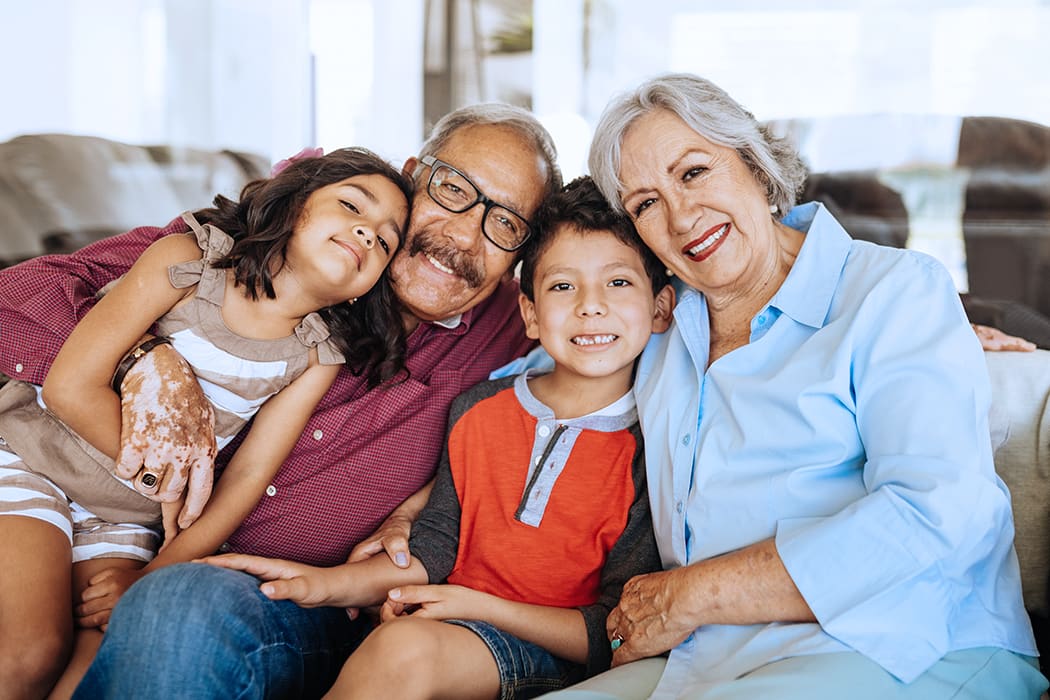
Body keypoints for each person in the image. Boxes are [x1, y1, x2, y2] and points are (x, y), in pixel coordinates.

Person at [0, 102, 563, 698]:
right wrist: (144, 353)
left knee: (176, 607)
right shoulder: (250, 249)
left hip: (284, 598)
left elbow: (604, 312)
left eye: (505, 224)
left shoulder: (516, 325)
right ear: (412, 175)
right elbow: (19, 297)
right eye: (454, 190)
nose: (462, 234)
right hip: (112, 505)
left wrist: (423, 502)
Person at [541, 73, 1047, 699]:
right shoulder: (659, 324)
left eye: (693, 172)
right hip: (712, 658)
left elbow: (935, 516)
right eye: (645, 203)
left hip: (904, 646)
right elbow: (536, 373)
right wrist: (413, 503)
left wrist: (691, 594)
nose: (680, 215)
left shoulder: (893, 294)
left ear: (754, 163)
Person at [200, 175, 673, 700]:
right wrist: (318, 585)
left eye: (619, 283)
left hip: (549, 652)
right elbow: (435, 548)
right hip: (438, 623)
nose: (591, 305)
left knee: (403, 652)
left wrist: (472, 607)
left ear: (661, 308)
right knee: (395, 645)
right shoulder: (477, 409)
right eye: (563, 286)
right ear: (530, 314)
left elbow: (616, 629)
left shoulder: (653, 448)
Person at [0, 147, 412, 699]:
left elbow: (244, 481)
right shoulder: (190, 262)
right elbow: (69, 388)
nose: (367, 233)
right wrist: (168, 483)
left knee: (89, 673)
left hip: (125, 521)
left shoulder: (318, 356)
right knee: (30, 651)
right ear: (292, 205)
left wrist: (151, 580)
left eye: (385, 241)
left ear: (368, 286)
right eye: (351, 207)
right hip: (37, 460)